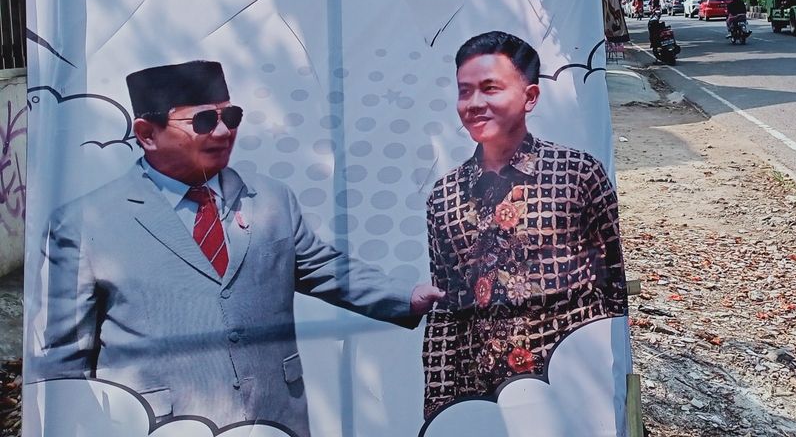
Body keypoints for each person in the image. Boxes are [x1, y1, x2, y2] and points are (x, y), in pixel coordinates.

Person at [29, 60, 444, 437]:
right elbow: (64, 357)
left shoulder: (271, 199)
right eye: (205, 120)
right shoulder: (87, 223)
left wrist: (405, 296)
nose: (225, 131)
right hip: (161, 425)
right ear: (146, 134)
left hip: (275, 419)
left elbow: (320, 267)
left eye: (231, 115)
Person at [422, 32, 627, 419]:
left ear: (529, 97)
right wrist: (439, 408)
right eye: (465, 92)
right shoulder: (444, 195)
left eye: (490, 89)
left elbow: (614, 284)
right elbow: (446, 310)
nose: (474, 104)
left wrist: (614, 386)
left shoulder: (578, 174)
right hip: (483, 400)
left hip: (573, 391)